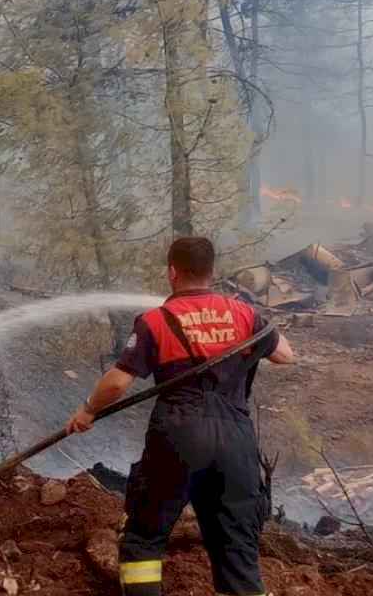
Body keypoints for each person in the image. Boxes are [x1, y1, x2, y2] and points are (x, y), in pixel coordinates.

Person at [66, 237, 297, 596]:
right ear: (212, 271)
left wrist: (88, 410)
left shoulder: (155, 321)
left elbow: (117, 383)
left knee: (144, 537)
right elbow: (285, 355)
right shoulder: (243, 314)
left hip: (178, 435)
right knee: (237, 547)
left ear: (172, 272)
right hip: (235, 440)